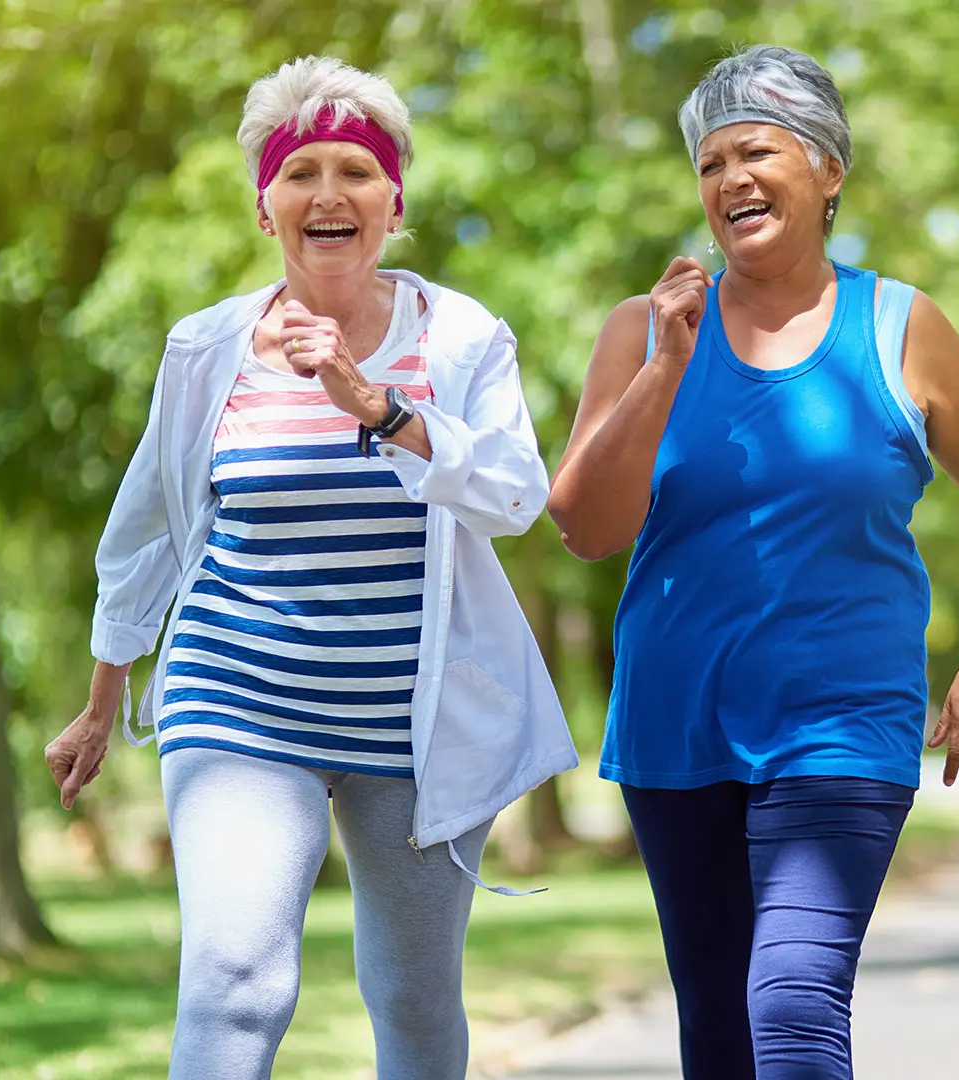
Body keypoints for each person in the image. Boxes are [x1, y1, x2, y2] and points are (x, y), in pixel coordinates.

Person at [42, 55, 577, 1079]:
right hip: (238, 698)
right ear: (264, 206)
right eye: (301, 172)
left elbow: (517, 496)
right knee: (237, 984)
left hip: (411, 723)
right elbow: (144, 531)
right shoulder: (207, 348)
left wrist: (379, 407)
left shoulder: (460, 336)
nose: (328, 192)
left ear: (394, 202)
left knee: (416, 1003)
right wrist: (102, 700)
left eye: (355, 170)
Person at [547, 44, 959, 1080]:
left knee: (790, 1002)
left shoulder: (899, 326)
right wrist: (666, 369)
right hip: (675, 727)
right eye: (710, 164)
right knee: (721, 1033)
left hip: (841, 723)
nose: (730, 179)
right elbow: (587, 527)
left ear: (828, 171)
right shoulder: (644, 333)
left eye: (758, 151)